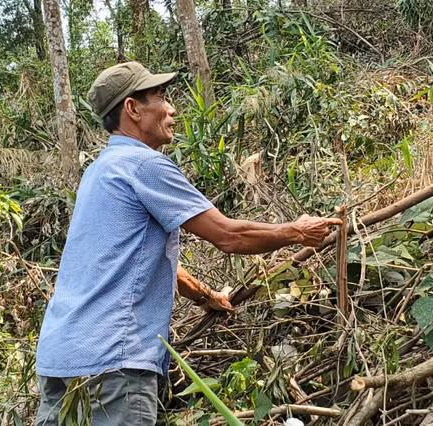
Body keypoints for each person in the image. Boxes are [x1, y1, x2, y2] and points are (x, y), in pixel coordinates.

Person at [34, 62, 342, 425]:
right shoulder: (144, 165)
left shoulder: (98, 171)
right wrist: (297, 231)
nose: (172, 109)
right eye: (161, 97)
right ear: (133, 109)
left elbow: (126, 257)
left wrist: (204, 296)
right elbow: (228, 235)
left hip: (59, 358)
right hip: (113, 360)